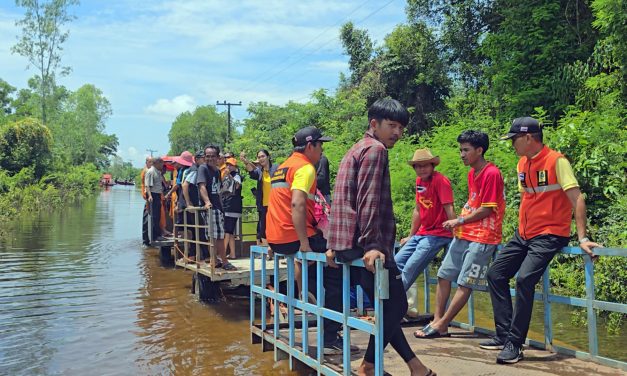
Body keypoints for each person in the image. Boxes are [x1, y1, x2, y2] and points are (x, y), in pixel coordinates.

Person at [327, 98, 434, 376]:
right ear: (374, 124)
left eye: (400, 127)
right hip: (366, 245)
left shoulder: (356, 148)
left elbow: (342, 198)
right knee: (396, 305)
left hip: (347, 243)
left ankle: (416, 368)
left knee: (387, 308)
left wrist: (331, 245)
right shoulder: (375, 150)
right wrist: (374, 245)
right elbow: (368, 200)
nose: (397, 133)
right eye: (392, 126)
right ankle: (367, 367)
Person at [482, 117, 601, 364]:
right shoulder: (522, 164)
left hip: (549, 233)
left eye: (514, 139)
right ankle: (504, 335)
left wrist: (583, 237)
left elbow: (577, 199)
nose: (512, 144)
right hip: (524, 234)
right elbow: (528, 200)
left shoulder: (557, 161)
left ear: (528, 138)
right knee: (495, 274)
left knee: (525, 280)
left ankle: (515, 344)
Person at [265, 126, 353, 355]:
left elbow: (275, 204)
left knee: (317, 267)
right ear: (310, 146)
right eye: (320, 145)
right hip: (295, 236)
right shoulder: (305, 167)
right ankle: (331, 336)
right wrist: (304, 243)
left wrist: (271, 242)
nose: (322, 150)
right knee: (340, 263)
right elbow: (297, 204)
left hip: (276, 238)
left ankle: (309, 293)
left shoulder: (281, 168)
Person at [414, 131, 505, 340]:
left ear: (479, 150)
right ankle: (439, 322)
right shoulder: (472, 173)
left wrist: (459, 220)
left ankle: (442, 323)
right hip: (465, 232)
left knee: (466, 282)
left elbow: (488, 209)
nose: (462, 154)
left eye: (466, 150)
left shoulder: (491, 173)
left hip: (484, 235)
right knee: (444, 274)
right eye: (461, 150)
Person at [394, 148, 455, 318]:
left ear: (432, 165)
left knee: (410, 269)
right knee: (395, 264)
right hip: (422, 233)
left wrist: (455, 234)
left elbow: (448, 206)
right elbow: (418, 209)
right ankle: (397, 305)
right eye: (418, 166)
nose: (422, 169)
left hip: (438, 234)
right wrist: (411, 235)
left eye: (425, 165)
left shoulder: (440, 181)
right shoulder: (419, 181)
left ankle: (389, 308)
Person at [197, 145, 236, 270]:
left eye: (212, 156)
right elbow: (202, 186)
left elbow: (218, 190)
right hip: (210, 207)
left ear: (218, 157)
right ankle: (224, 262)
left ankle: (215, 260)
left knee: (216, 235)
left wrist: (221, 206)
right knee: (217, 235)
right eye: (207, 156)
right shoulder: (203, 168)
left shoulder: (217, 171)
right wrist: (207, 202)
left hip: (217, 207)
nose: (209, 159)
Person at [240, 149, 279, 245]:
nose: (261, 158)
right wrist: (245, 161)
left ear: (268, 157)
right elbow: (252, 172)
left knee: (276, 228)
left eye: (263, 156)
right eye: (259, 157)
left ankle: (278, 251)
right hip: (263, 205)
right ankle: (268, 252)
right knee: (263, 230)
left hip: (276, 204)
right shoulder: (260, 172)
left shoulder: (276, 168)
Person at [181, 150, 205, 260]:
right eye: (203, 158)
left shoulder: (194, 169)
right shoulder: (195, 170)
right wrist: (188, 203)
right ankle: (200, 255)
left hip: (195, 205)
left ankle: (194, 255)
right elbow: (185, 185)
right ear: (197, 159)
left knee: (197, 230)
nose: (204, 160)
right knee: (199, 230)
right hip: (193, 206)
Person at [221, 157, 243, 259]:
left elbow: (237, 186)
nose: (228, 166)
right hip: (227, 206)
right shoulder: (225, 176)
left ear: (235, 166)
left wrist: (229, 175)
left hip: (233, 207)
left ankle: (222, 254)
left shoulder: (237, 176)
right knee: (230, 231)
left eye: (230, 165)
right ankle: (232, 254)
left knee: (227, 231)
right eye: (227, 164)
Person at [144, 157, 167, 242]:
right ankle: (155, 236)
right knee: (154, 216)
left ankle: (158, 235)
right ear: (157, 163)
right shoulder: (150, 172)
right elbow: (147, 186)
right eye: (161, 163)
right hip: (153, 195)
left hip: (157, 195)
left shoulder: (158, 172)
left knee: (157, 216)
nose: (162, 165)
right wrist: (150, 196)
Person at [140, 156, 153, 246]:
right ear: (147, 162)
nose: (152, 164)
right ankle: (146, 241)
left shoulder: (148, 171)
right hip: (148, 198)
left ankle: (146, 240)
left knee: (148, 219)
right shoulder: (147, 171)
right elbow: (147, 186)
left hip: (148, 198)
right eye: (151, 162)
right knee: (147, 219)